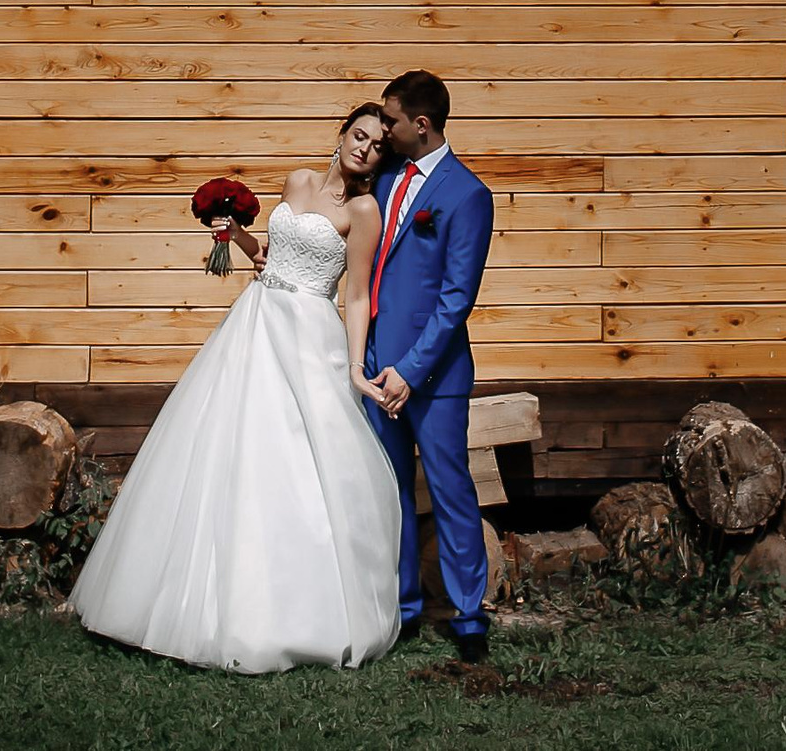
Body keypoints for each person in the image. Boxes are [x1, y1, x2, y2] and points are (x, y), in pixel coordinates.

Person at [67, 104, 402, 672]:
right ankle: (185, 605)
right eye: (358, 135)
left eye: (375, 145)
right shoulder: (296, 181)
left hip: (307, 335)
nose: (364, 148)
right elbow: (269, 258)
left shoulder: (364, 210)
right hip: (256, 319)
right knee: (221, 448)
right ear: (342, 134)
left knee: (293, 463)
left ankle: (288, 614)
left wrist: (351, 367)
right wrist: (236, 233)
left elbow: (355, 295)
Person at [364, 69, 495, 663]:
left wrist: (410, 372)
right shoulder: (384, 178)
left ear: (421, 124)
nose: (382, 128)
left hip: (434, 377)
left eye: (389, 120)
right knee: (389, 492)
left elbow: (455, 298)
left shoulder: (468, 195)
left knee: (450, 491)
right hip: (375, 368)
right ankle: (403, 608)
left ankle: (469, 614)